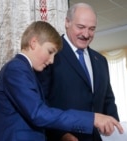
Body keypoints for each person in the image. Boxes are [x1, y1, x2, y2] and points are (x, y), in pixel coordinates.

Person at [0, 21, 123, 141]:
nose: (51, 60)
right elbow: (38, 113)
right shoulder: (16, 69)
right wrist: (92, 119)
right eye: (50, 52)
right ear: (33, 43)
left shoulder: (28, 72)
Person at [36, 3, 121, 141]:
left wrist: (116, 132)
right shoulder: (51, 55)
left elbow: (108, 101)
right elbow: (42, 103)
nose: (86, 34)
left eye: (92, 29)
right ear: (67, 22)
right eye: (80, 27)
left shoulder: (101, 60)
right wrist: (61, 135)